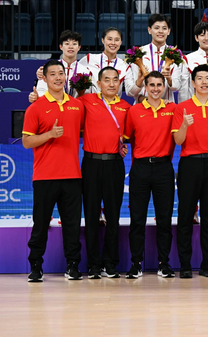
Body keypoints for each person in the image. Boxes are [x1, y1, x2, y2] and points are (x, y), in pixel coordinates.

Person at [22, 60, 85, 282]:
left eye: (61, 73)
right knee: (40, 224)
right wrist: (49, 134)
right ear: (45, 78)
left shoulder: (77, 105)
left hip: (72, 176)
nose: (58, 77)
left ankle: (73, 265)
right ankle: (36, 266)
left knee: (72, 226)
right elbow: (26, 142)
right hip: (45, 176)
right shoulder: (35, 107)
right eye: (53, 74)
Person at [123, 71, 177, 279]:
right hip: (141, 169)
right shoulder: (134, 111)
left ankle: (164, 263)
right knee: (137, 219)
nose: (155, 89)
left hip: (164, 168)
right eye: (151, 85)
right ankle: (136, 264)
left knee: (164, 219)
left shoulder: (172, 109)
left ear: (164, 87)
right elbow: (125, 138)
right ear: (145, 87)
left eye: (159, 85)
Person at [78, 66, 130, 280]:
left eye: (115, 79)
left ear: (119, 83)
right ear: (98, 84)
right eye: (106, 80)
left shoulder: (126, 107)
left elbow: (129, 136)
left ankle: (110, 263)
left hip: (114, 165)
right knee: (91, 215)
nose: (111, 83)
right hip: (91, 164)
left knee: (113, 215)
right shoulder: (86, 101)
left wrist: (124, 146)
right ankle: (93, 264)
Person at [171, 65, 208, 279]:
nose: (204, 82)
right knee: (185, 216)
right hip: (189, 165)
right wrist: (184, 125)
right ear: (192, 83)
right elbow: (178, 140)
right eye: (199, 78)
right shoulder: (181, 108)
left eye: (207, 78)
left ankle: (207, 263)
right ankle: (185, 264)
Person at [124, 14, 178, 102]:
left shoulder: (175, 54)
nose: (160, 31)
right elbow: (130, 92)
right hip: (142, 106)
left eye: (164, 28)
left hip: (167, 107)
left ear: (169, 31)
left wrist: (169, 79)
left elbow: (177, 87)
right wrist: (139, 82)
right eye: (157, 28)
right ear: (149, 30)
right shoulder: (138, 54)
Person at [33, 31, 90, 100]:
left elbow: (88, 93)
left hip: (77, 105)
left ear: (79, 47)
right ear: (61, 47)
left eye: (74, 44)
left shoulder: (85, 71)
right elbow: (41, 90)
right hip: (54, 105)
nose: (70, 47)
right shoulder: (50, 67)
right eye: (67, 44)